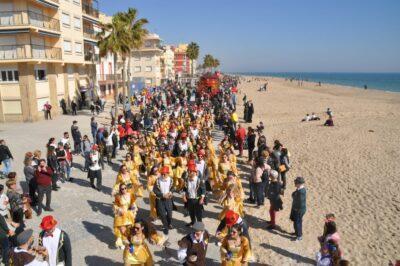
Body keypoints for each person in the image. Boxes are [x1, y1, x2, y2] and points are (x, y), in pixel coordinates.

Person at [153, 166, 174, 235]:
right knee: (162, 214)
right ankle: (165, 226)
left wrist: (170, 192)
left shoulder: (171, 180)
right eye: (162, 174)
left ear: (168, 173)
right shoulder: (157, 180)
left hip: (168, 199)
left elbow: (173, 188)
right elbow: (155, 190)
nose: (163, 175)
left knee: (169, 214)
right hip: (160, 200)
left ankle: (169, 223)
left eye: (164, 174)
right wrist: (162, 195)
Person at [290, 176, 307, 241]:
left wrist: (296, 209)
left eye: (296, 182)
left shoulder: (301, 192)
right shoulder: (299, 189)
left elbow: (300, 202)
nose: (295, 183)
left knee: (298, 223)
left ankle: (299, 236)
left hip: (298, 210)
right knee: (296, 222)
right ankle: (297, 232)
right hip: (297, 209)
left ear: (299, 183)